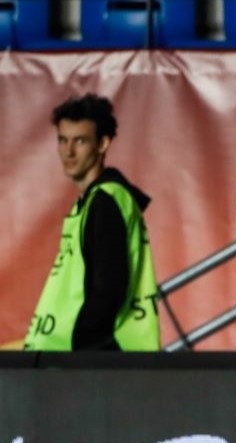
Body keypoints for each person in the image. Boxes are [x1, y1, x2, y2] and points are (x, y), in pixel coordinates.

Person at [25, 93, 159, 352]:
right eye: (62, 140)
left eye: (80, 141)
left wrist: (82, 345)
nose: (68, 151)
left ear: (103, 144)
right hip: (86, 355)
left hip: (92, 358)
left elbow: (109, 288)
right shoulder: (95, 201)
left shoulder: (105, 201)